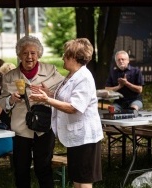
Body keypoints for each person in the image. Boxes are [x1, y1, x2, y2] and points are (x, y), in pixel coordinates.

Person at [29, 38, 104, 188]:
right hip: (76, 137)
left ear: (75, 58)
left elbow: (74, 107)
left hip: (85, 138)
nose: (62, 57)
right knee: (77, 178)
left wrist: (47, 100)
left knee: (84, 180)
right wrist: (48, 94)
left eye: (65, 55)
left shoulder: (84, 78)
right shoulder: (72, 75)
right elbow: (65, 98)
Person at [0, 35, 63, 188]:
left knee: (44, 167)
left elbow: (64, 92)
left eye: (33, 53)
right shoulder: (10, 76)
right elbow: (2, 101)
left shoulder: (51, 70)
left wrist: (49, 93)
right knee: (21, 169)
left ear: (38, 54)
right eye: (25, 53)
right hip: (21, 128)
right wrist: (11, 100)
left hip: (44, 126)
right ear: (19, 55)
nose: (29, 57)